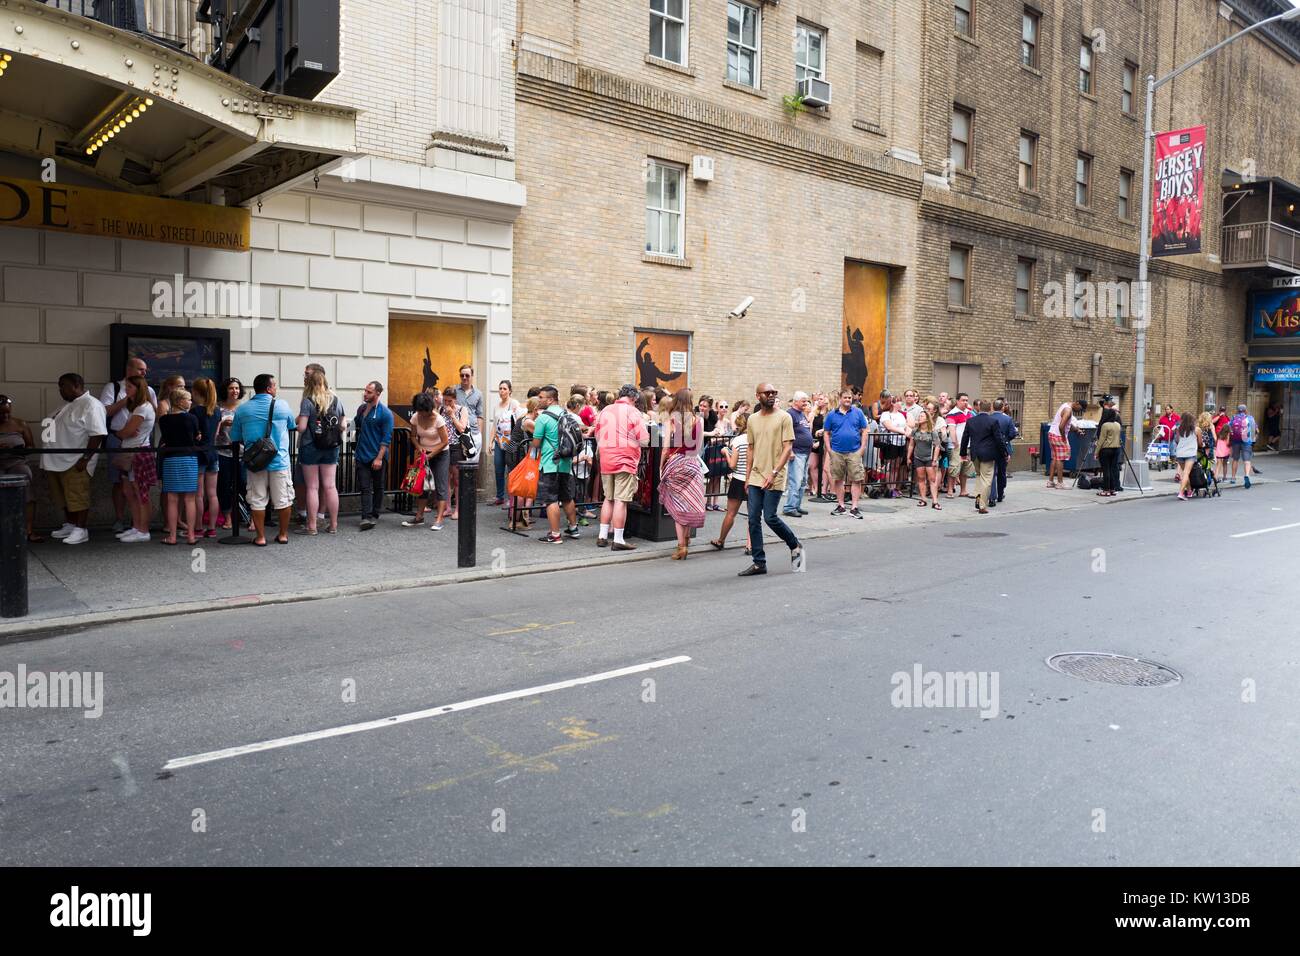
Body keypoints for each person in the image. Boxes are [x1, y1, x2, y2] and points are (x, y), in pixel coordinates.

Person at [738, 383, 805, 576]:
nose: (772, 395)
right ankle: (759, 562)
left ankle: (795, 545)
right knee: (752, 519)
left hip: (775, 474)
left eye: (774, 393)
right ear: (758, 396)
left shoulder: (784, 417)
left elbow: (788, 448)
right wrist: (747, 475)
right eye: (767, 393)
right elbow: (750, 448)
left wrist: (774, 472)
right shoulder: (752, 419)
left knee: (770, 517)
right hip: (756, 475)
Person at [229, 374, 296, 546]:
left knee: (257, 499)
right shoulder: (282, 405)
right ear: (268, 388)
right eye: (274, 385)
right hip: (279, 460)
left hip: (255, 463)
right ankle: (282, 535)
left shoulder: (243, 410)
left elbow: (235, 436)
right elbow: (291, 425)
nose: (276, 388)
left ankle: (260, 537)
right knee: (283, 499)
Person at [42, 374, 108, 546]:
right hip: (55, 460)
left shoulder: (91, 404)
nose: (60, 389)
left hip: (75, 460)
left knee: (77, 496)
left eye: (63, 385)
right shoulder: (67, 405)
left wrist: (85, 458)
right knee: (63, 497)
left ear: (77, 385)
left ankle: (81, 529)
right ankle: (71, 525)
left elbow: (98, 433)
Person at [99, 356, 157, 533]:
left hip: (137, 441)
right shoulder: (114, 387)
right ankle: (120, 519)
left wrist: (132, 428)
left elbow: (154, 414)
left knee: (137, 486)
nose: (144, 373)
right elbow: (104, 412)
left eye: (145, 370)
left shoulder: (148, 395)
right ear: (129, 370)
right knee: (121, 481)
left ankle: (139, 525)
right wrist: (127, 399)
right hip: (118, 439)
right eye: (141, 370)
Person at [594, 383, 647, 551]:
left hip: (606, 458)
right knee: (621, 500)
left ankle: (602, 536)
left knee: (608, 498)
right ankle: (618, 539)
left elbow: (597, 434)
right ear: (634, 397)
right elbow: (645, 439)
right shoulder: (633, 412)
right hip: (625, 459)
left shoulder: (605, 410)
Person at [295, 367, 343, 535]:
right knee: (330, 486)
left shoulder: (307, 401)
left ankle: (312, 526)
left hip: (310, 446)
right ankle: (334, 525)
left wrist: (298, 422)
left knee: (312, 487)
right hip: (331, 447)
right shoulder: (336, 399)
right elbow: (343, 425)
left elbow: (301, 428)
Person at [660, 387, 706, 560]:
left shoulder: (671, 420)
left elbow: (665, 448)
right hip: (692, 464)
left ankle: (681, 547)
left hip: (675, 463)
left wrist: (661, 466)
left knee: (679, 506)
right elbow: (697, 447)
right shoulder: (698, 420)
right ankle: (686, 540)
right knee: (689, 503)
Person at [532, 385, 580, 544]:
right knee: (566, 497)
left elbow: (536, 443)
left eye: (541, 397)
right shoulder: (567, 414)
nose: (539, 400)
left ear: (550, 399)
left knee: (551, 500)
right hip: (565, 463)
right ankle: (573, 529)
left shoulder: (543, 418)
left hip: (549, 463)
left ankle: (555, 535)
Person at [111, 375, 156, 542]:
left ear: (138, 389)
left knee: (140, 492)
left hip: (138, 453)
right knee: (129, 491)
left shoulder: (143, 407)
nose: (126, 390)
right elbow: (127, 432)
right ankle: (137, 527)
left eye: (129, 387)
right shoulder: (137, 407)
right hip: (130, 452)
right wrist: (124, 432)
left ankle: (143, 530)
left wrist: (120, 432)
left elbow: (126, 432)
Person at [402, 391, 451, 530]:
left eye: (426, 411)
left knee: (441, 485)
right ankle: (419, 517)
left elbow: (445, 441)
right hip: (424, 453)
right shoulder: (416, 418)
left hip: (441, 453)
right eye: (421, 411)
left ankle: (439, 519)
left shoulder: (438, 419)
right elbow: (412, 436)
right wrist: (419, 448)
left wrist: (431, 454)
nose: (424, 414)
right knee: (422, 486)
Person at [157, 387, 200, 545]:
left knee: (172, 499)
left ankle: (172, 536)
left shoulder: (164, 420)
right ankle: (191, 536)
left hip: (171, 459)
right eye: (188, 399)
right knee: (190, 499)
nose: (190, 402)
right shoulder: (192, 418)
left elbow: (167, 438)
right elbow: (196, 437)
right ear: (180, 401)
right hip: (189, 459)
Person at [0, 394, 42, 541]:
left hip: (16, 462)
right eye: (1, 413)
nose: (5, 416)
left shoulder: (20, 424)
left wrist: (18, 449)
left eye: (8, 412)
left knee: (27, 489)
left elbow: (31, 446)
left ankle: (28, 530)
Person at [708, 410, 751, 553]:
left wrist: (726, 452)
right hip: (753, 480)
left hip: (738, 479)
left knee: (731, 513)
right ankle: (750, 545)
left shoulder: (737, 441)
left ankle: (721, 540)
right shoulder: (756, 439)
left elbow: (732, 465)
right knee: (753, 515)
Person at [822, 388, 869, 518]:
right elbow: (826, 432)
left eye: (849, 397)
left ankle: (854, 507)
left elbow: (865, 430)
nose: (848, 400)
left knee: (856, 479)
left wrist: (862, 448)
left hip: (854, 451)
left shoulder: (858, 412)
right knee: (838, 479)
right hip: (837, 451)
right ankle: (841, 505)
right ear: (840, 399)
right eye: (845, 398)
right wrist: (829, 449)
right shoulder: (832, 414)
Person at [354, 380, 394, 530]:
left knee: (378, 486)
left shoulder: (385, 413)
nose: (365, 394)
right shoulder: (361, 409)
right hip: (361, 455)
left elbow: (386, 438)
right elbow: (355, 426)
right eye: (365, 390)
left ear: (378, 393)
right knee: (364, 487)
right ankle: (366, 517)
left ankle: (374, 514)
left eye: (369, 392)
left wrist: (379, 458)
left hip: (377, 455)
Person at [190, 378, 223, 538]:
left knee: (198, 494)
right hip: (213, 453)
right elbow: (216, 434)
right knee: (212, 493)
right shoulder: (216, 411)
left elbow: (193, 434)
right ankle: (211, 528)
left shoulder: (195, 411)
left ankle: (198, 527)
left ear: (196, 393)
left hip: (198, 454)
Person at [960, 400, 1002, 514]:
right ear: (990, 409)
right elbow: (998, 439)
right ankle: (982, 505)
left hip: (975, 454)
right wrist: (1004, 453)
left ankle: (978, 501)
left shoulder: (971, 421)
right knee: (986, 480)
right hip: (988, 454)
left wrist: (963, 453)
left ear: (979, 408)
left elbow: (965, 438)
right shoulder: (993, 421)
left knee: (979, 478)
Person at [215, 377, 245, 531]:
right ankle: (227, 517)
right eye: (231, 388)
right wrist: (221, 424)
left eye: (237, 388)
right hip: (223, 452)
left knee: (245, 485)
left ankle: (252, 518)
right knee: (224, 486)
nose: (235, 391)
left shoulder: (244, 408)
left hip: (242, 453)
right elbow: (213, 432)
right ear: (225, 391)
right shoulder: (218, 409)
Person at [442, 386, 473, 521]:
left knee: (456, 479)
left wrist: (452, 415)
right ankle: (447, 508)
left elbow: (462, 428)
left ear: (455, 399)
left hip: (457, 447)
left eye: (449, 401)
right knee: (445, 479)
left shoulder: (462, 409)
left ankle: (458, 509)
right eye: (445, 401)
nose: (447, 404)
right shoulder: (441, 409)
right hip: (444, 447)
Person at [781, 391, 814, 518]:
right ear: (795, 401)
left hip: (805, 452)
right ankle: (790, 507)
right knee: (796, 480)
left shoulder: (801, 414)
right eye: (803, 401)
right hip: (797, 452)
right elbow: (785, 434)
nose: (806, 403)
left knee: (802, 481)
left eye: (806, 401)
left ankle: (796, 505)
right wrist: (790, 451)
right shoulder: (790, 414)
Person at [908, 400, 943, 510]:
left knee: (932, 479)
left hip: (929, 457)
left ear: (927, 418)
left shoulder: (932, 431)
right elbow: (911, 444)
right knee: (921, 478)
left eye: (922, 416)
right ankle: (923, 499)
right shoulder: (915, 431)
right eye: (919, 416)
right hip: (918, 457)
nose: (920, 418)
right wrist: (908, 457)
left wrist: (935, 459)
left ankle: (935, 501)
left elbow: (937, 445)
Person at [491, 380, 522, 505]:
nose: (502, 391)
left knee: (511, 470)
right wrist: (491, 441)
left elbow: (519, 419)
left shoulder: (514, 403)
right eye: (500, 388)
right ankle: (500, 497)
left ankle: (512, 498)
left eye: (504, 388)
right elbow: (494, 425)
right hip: (499, 443)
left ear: (509, 390)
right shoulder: (497, 406)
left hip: (511, 443)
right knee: (498, 468)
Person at [945, 393, 976, 497]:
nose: (965, 402)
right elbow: (952, 430)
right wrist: (955, 443)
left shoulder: (969, 413)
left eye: (967, 400)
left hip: (968, 445)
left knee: (965, 469)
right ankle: (950, 490)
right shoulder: (952, 414)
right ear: (957, 401)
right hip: (956, 446)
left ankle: (963, 490)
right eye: (963, 400)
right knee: (954, 468)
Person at [990, 397, 1019, 507]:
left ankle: (992, 496)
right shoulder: (1007, 419)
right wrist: (1006, 440)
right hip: (1004, 448)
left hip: (991, 448)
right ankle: (1000, 494)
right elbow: (1013, 433)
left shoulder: (989, 418)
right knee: (1002, 472)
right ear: (1002, 408)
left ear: (993, 407)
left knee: (992, 473)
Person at [1045, 401, 1076, 490]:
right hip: (1058, 435)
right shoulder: (1068, 410)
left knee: (1055, 457)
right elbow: (1061, 426)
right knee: (1060, 459)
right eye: (1081, 408)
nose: (1080, 411)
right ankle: (1060, 483)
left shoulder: (1065, 405)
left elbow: (1068, 425)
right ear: (1077, 404)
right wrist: (1063, 438)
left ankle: (1050, 481)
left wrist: (1077, 430)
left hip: (1052, 433)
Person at [807, 393, 830, 502]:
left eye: (821, 399)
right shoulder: (815, 412)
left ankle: (824, 489)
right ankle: (817, 487)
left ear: (826, 400)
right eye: (818, 399)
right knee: (812, 465)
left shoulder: (829, 413)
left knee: (824, 467)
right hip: (813, 440)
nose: (818, 401)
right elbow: (809, 423)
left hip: (823, 442)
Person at [1095, 406, 1123, 497]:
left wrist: (1096, 452)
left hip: (1106, 449)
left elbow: (1101, 440)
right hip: (1116, 449)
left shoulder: (1105, 425)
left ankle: (1106, 490)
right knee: (1112, 469)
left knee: (1106, 470)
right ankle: (1112, 489)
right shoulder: (1118, 425)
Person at [1228, 404, 1257, 488]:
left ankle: (1233, 478)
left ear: (1238, 410)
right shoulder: (1250, 418)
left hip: (1236, 441)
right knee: (1247, 460)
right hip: (1247, 442)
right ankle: (1247, 476)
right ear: (1245, 410)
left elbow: (1229, 428)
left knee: (1235, 459)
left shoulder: (1234, 417)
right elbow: (1256, 429)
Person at [1173, 411, 1200, 500]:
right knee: (1186, 473)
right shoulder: (1196, 429)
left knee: (1185, 473)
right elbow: (1200, 443)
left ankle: (1189, 491)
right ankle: (1181, 492)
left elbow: (1176, 440)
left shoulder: (1178, 429)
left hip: (1180, 453)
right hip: (1190, 453)